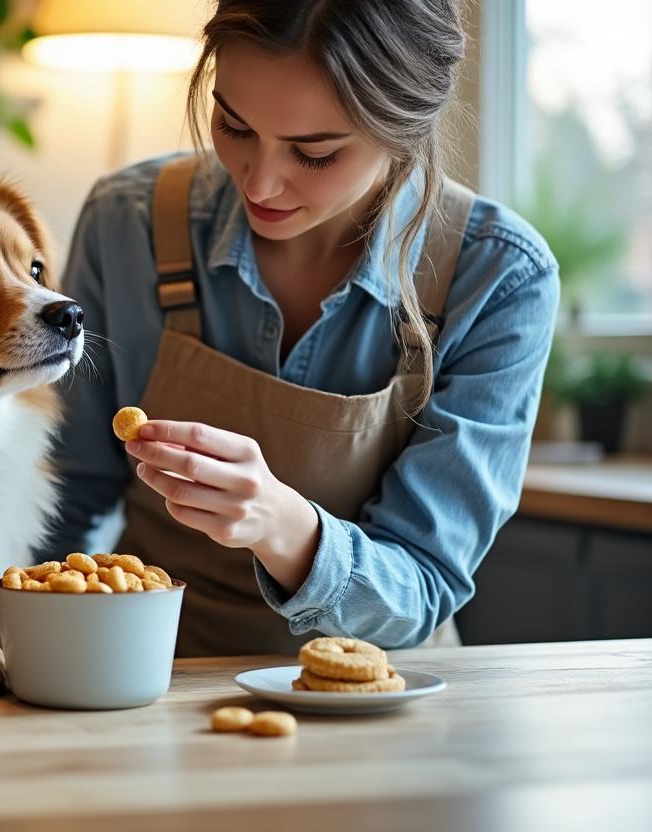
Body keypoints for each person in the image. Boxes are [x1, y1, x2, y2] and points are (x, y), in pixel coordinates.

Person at [41, 0, 559, 656]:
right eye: (233, 124)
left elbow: (424, 584)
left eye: (313, 154)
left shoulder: (499, 277)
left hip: (383, 702)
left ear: (406, 127)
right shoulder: (128, 220)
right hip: (151, 685)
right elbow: (60, 497)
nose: (260, 182)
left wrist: (281, 525)